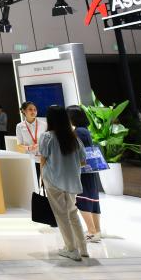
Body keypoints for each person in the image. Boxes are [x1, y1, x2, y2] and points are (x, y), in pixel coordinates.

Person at [40, 105, 88, 262]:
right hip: (72, 181)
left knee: (61, 215)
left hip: (53, 180)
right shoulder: (74, 138)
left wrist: (42, 177)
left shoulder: (47, 137)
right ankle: (83, 248)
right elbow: (83, 161)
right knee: (73, 213)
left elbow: (43, 159)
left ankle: (71, 249)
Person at [67, 105, 101, 243]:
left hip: (82, 170)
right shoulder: (84, 130)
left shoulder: (78, 132)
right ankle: (96, 231)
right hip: (89, 170)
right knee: (92, 199)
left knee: (82, 199)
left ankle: (92, 231)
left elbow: (74, 151)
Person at [15, 101, 47, 179]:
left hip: (44, 158)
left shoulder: (44, 124)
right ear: (24, 111)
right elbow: (19, 145)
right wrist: (29, 148)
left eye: (35, 109)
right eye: (30, 109)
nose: (33, 112)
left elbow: (48, 140)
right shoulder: (20, 126)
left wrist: (41, 144)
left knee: (46, 182)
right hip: (31, 159)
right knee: (34, 182)